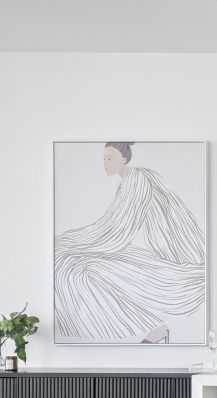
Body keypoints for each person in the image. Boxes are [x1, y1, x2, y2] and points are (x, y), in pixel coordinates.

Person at [55, 142, 205, 343]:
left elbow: (115, 229)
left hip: (179, 262)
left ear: (124, 159)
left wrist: (65, 240)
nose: (105, 163)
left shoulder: (138, 179)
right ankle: (155, 332)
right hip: (165, 255)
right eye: (104, 159)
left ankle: (153, 331)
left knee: (73, 266)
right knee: (70, 263)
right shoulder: (130, 180)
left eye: (110, 158)